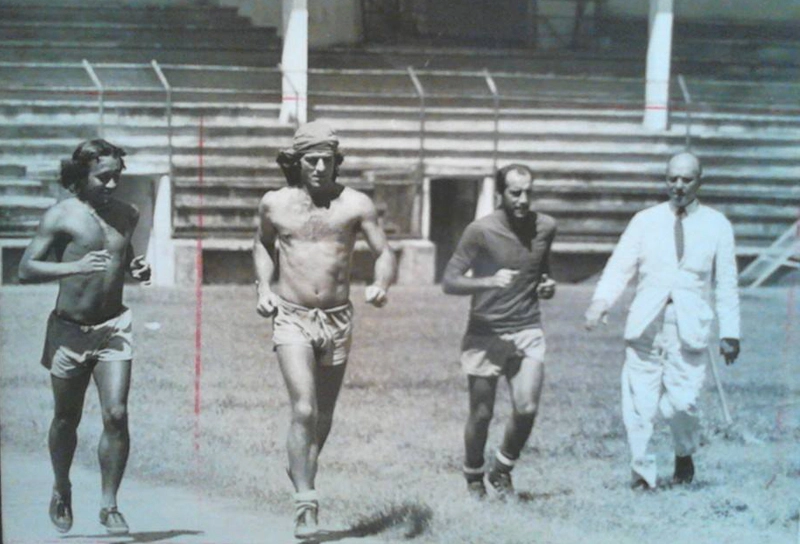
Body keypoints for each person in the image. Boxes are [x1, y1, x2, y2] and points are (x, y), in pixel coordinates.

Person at [252, 121, 396, 538]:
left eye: (326, 160)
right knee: (303, 408)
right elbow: (262, 244)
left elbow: (383, 252)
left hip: (337, 318)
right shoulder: (274, 203)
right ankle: (306, 501)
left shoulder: (355, 204)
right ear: (297, 162)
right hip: (292, 315)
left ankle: (300, 466)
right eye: (311, 160)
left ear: (337, 162)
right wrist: (264, 286)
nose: (319, 168)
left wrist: (381, 283)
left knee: (323, 416)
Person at [584, 151, 740, 490]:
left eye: (686, 180)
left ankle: (684, 454)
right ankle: (642, 474)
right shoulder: (645, 220)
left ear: (700, 181)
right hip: (646, 323)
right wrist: (601, 301)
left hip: (689, 326)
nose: (679, 186)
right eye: (673, 179)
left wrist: (731, 332)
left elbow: (726, 282)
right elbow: (620, 264)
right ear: (665, 180)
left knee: (682, 403)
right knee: (639, 403)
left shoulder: (717, 224)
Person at [18, 139, 151, 535]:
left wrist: (136, 269)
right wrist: (73, 266)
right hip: (69, 331)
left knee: (117, 413)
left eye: (117, 177)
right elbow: (26, 269)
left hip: (114, 326)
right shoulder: (61, 216)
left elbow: (120, 257)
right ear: (82, 176)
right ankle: (62, 487)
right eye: (103, 177)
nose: (112, 185)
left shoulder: (128, 213)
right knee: (65, 418)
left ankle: (110, 506)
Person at [442, 164, 558, 500]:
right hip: (485, 332)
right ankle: (474, 475)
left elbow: (540, 269)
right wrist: (488, 281)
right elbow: (450, 280)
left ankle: (502, 469)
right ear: (500, 194)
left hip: (527, 328)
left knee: (526, 408)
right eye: (515, 192)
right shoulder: (480, 231)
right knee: (482, 414)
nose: (523, 199)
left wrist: (547, 285)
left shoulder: (546, 227)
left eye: (528, 192)